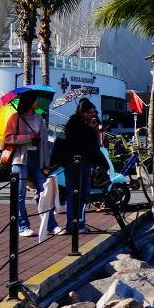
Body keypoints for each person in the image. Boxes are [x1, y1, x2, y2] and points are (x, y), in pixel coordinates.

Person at [2, 96, 52, 237]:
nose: (38, 102)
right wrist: (28, 138)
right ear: (29, 102)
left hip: (37, 158)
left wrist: (46, 163)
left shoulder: (39, 118)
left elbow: (44, 142)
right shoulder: (15, 118)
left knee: (44, 192)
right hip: (19, 159)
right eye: (35, 100)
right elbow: (7, 138)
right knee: (19, 195)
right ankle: (23, 226)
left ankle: (51, 224)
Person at [60, 98, 105, 234]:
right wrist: (89, 129)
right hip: (73, 163)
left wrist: (96, 130)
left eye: (93, 112)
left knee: (84, 194)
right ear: (82, 112)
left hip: (86, 163)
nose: (92, 115)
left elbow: (93, 145)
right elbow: (75, 141)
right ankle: (72, 224)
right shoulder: (73, 123)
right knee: (74, 194)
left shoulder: (89, 124)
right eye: (89, 112)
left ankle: (80, 222)